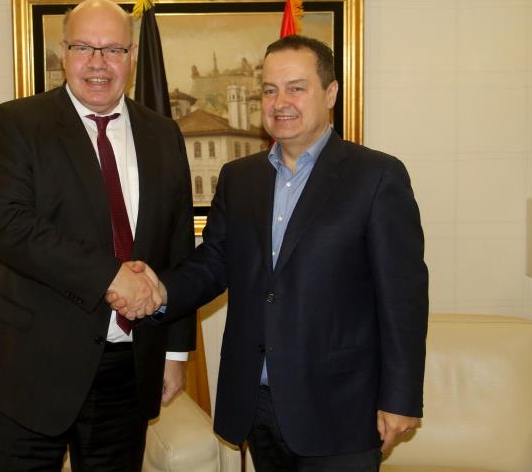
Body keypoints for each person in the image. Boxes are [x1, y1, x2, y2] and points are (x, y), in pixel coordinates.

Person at [110, 35, 429, 471]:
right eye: (270, 90)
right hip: (257, 404)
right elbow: (214, 263)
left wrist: (400, 397)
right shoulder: (240, 178)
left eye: (297, 88)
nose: (281, 103)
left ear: (330, 93)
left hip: (341, 406)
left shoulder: (376, 177)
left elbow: (403, 298)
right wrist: (158, 290)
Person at [0, 0, 196, 472]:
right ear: (63, 53)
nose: (98, 63)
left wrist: (174, 351)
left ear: (131, 56)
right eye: (84, 47)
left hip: (126, 372)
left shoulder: (163, 133)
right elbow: (10, 228)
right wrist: (111, 276)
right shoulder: (12, 125)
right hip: (26, 369)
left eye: (113, 49)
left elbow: (177, 246)